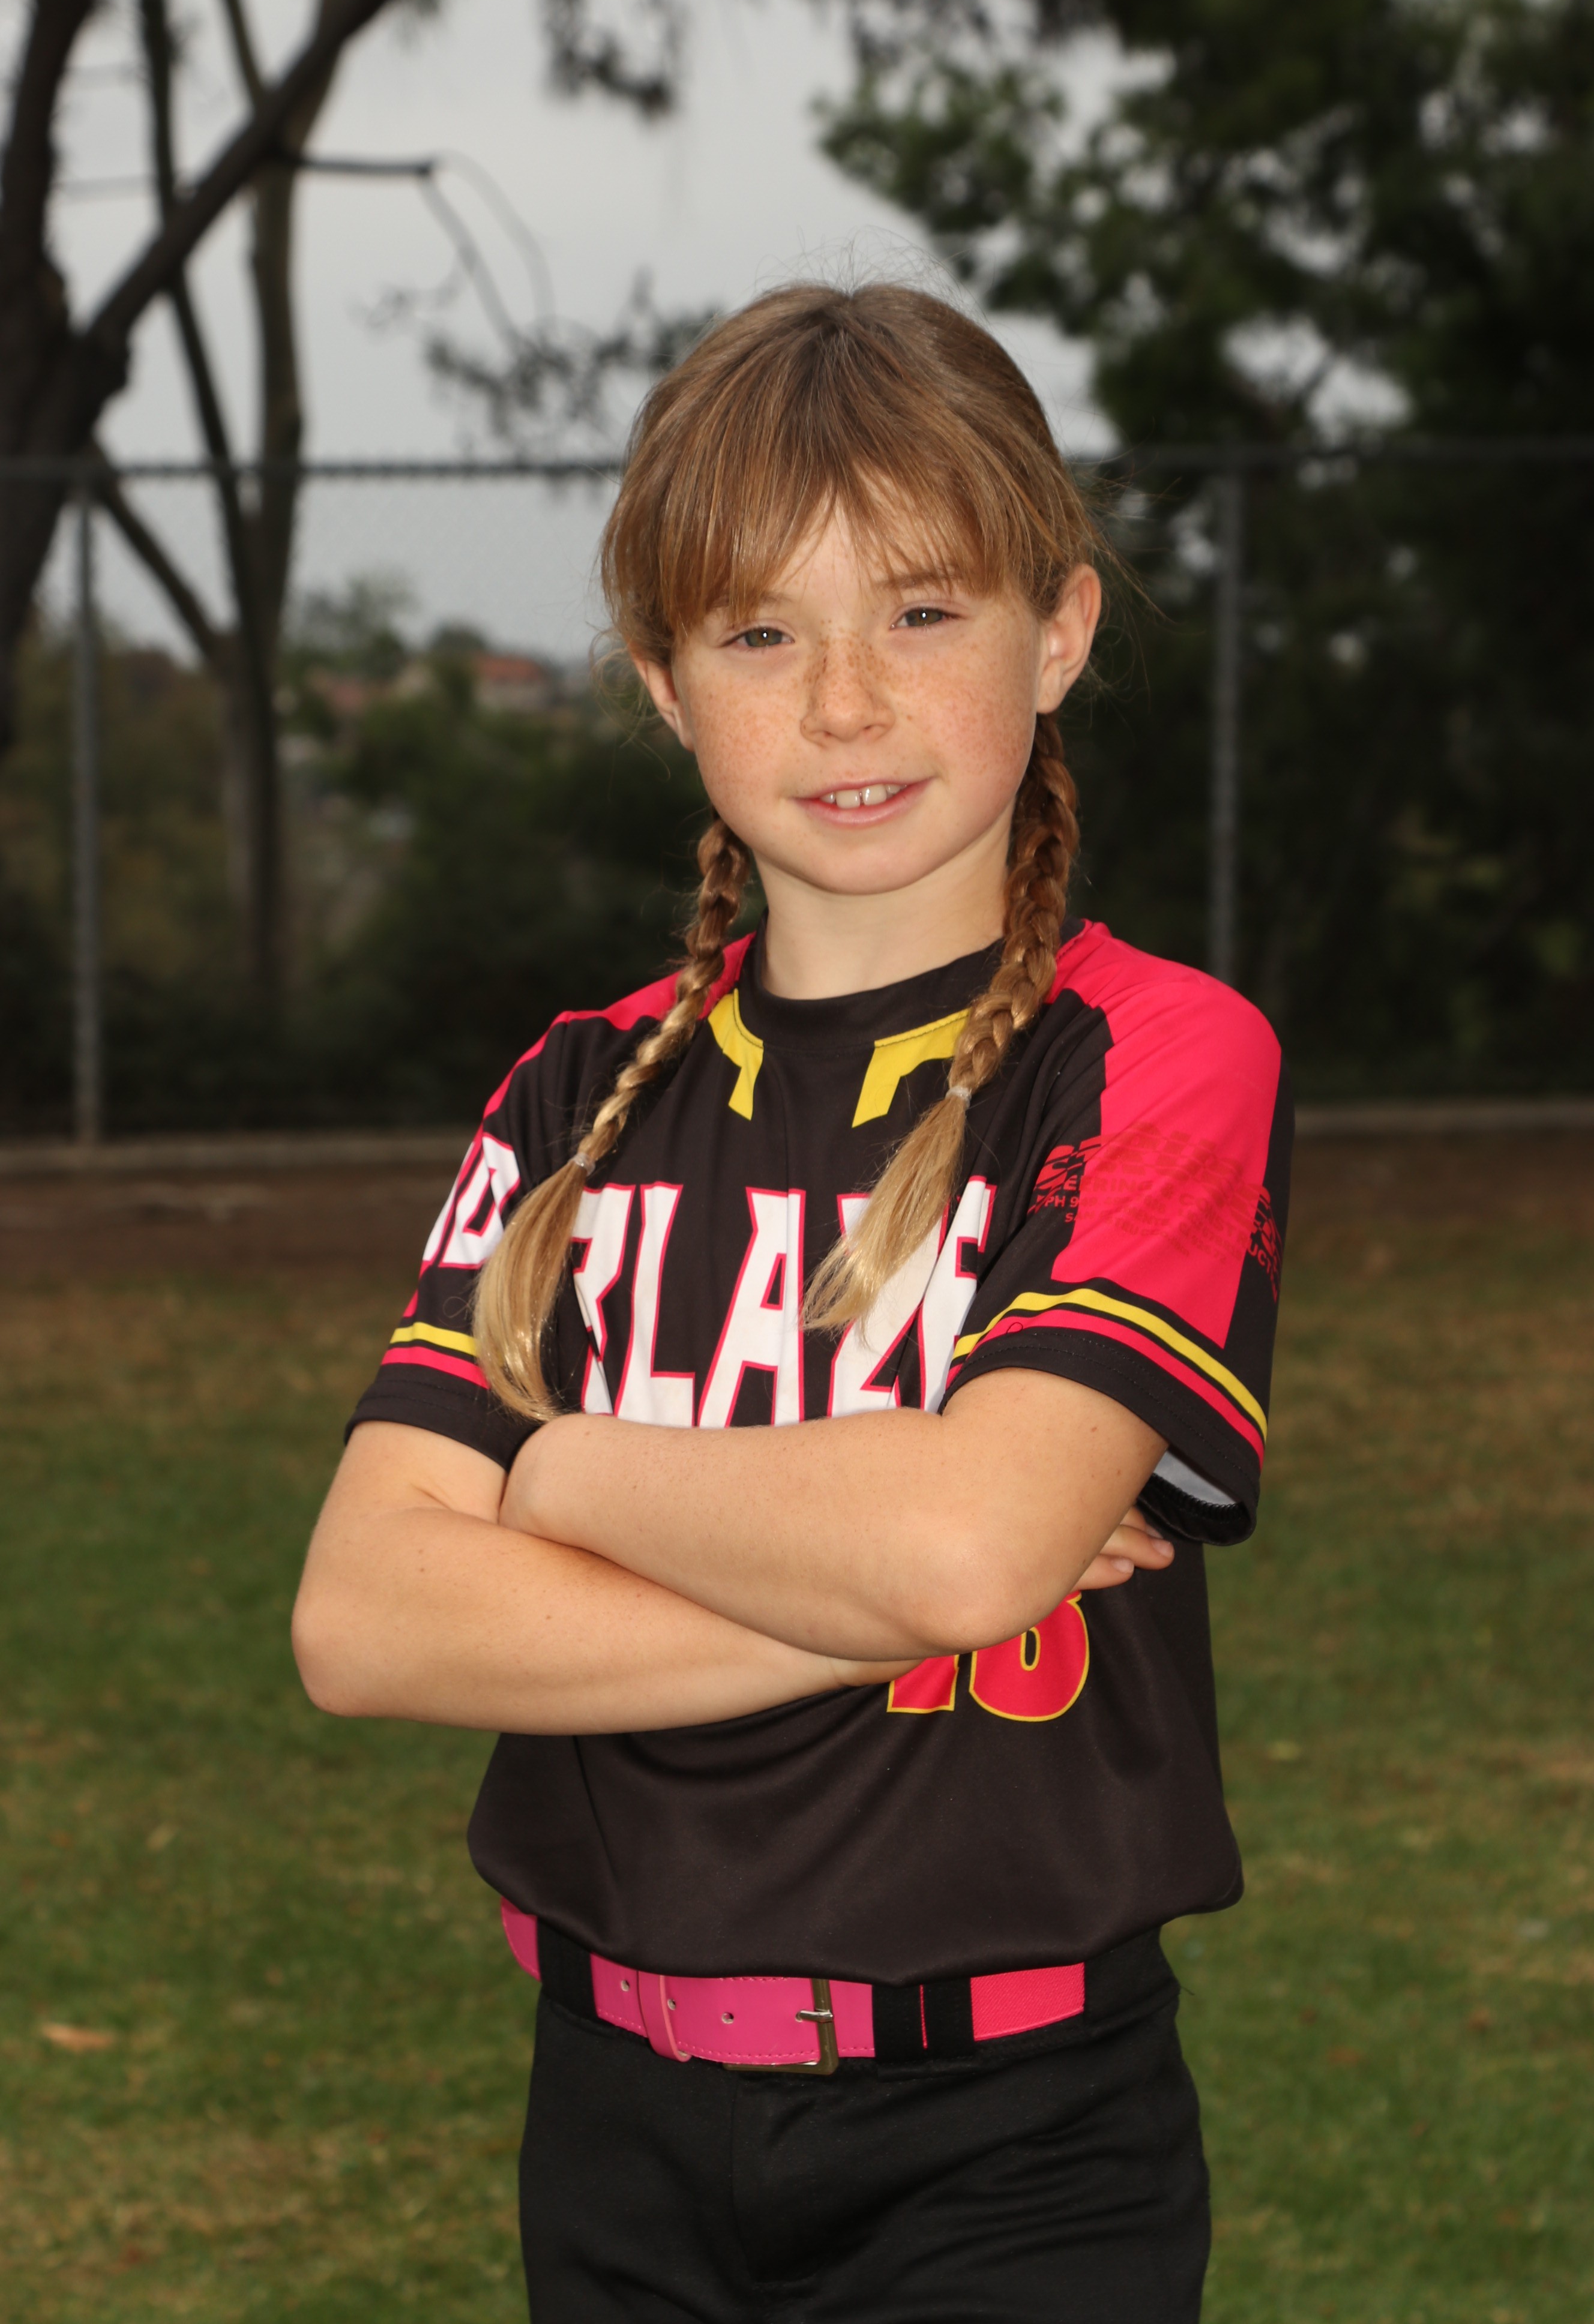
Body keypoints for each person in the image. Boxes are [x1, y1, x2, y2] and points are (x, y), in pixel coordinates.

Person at [293, 281, 1292, 2322]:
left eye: (922, 612)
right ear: (667, 683)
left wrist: (561, 1479)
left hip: (1014, 2148)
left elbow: (960, 1547)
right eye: (760, 633)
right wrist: (885, 1573)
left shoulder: (1151, 1057)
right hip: (613, 2125)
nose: (845, 703)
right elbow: (367, 1620)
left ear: (1060, 632)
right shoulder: (575, 1097)